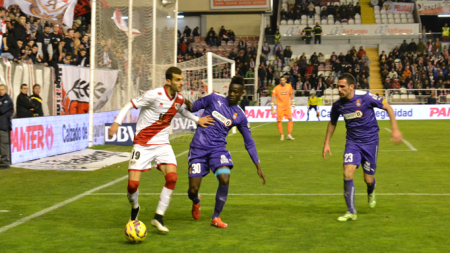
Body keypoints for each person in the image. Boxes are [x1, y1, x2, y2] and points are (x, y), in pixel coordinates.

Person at [108, 67, 215, 233]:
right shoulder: (153, 95)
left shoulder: (178, 99)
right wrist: (117, 122)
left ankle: (158, 217)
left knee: (172, 177)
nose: (182, 82)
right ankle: (135, 207)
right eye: (178, 80)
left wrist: (197, 119)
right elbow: (129, 104)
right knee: (132, 185)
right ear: (168, 81)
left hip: (162, 144)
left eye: (182, 79)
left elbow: (183, 112)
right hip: (142, 144)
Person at [185, 76, 266, 228]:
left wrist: (258, 165)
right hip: (198, 148)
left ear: (242, 94)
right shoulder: (214, 99)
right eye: (230, 91)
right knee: (192, 190)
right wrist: (180, 98)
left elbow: (249, 141)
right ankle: (196, 201)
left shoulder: (240, 115)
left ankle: (216, 217)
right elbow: (192, 107)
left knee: (224, 178)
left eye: (235, 92)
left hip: (217, 149)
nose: (231, 94)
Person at [322, 73, 403, 222]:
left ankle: (371, 189)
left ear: (351, 87)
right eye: (338, 87)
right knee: (347, 173)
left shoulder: (365, 97)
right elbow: (332, 123)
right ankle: (351, 211)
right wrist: (326, 142)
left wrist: (395, 129)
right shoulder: (338, 105)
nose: (339, 89)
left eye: (342, 87)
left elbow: (388, 107)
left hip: (371, 143)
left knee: (368, 180)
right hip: (352, 143)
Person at [271, 76, 295, 140]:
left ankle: (289, 134)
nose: (282, 81)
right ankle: (282, 135)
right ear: (280, 81)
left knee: (290, 119)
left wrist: (293, 101)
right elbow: (273, 97)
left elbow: (291, 94)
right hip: (280, 107)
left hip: (287, 106)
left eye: (283, 80)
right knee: (279, 120)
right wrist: (272, 106)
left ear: (285, 80)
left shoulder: (289, 86)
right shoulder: (277, 88)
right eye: (281, 80)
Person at [0, 84, 13, 169]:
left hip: (3, 126)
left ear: (6, 90)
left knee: (4, 145)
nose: (0, 91)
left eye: (2, 89)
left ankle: (5, 163)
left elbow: (1, 110)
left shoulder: (7, 100)